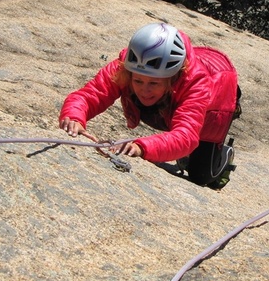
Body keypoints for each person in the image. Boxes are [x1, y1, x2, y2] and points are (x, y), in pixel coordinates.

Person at [59, 23, 240, 188]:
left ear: (173, 78)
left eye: (154, 83)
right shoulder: (128, 66)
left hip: (216, 103)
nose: (144, 90)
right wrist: (74, 117)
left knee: (201, 177)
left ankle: (225, 154)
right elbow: (91, 94)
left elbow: (186, 135)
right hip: (170, 106)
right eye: (137, 81)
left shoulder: (195, 83)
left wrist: (142, 147)